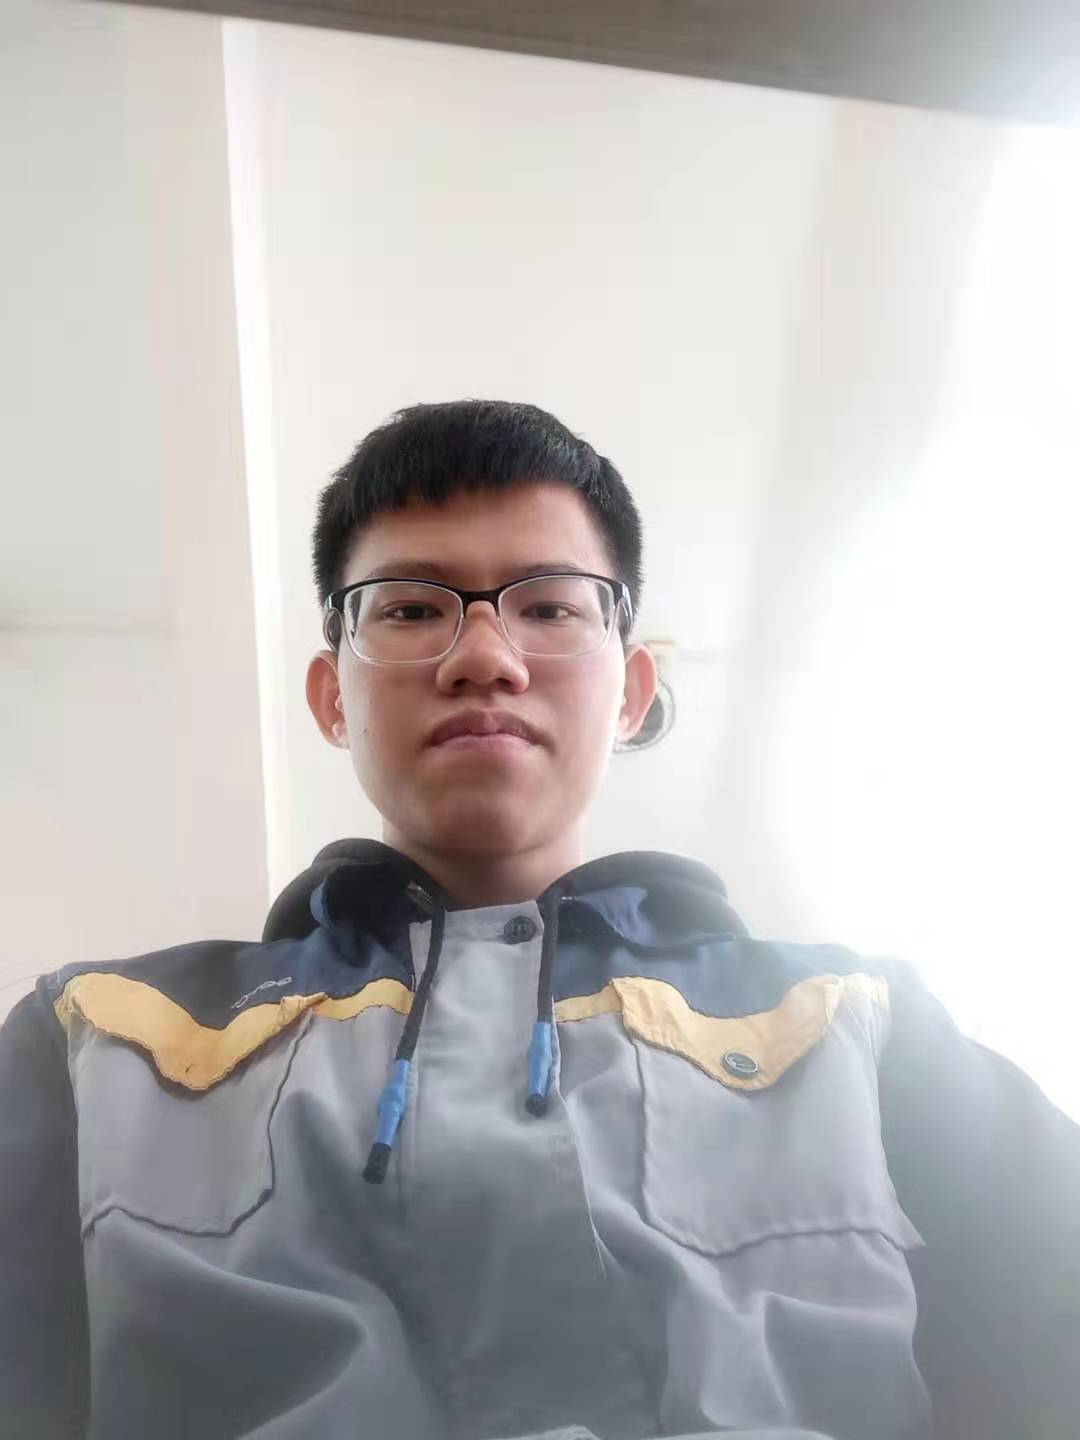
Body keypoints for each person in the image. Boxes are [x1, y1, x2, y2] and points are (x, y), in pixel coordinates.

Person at [1, 400, 1076, 1440]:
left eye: (552, 608)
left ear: (631, 690)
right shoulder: (98, 1041)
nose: (485, 657)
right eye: (411, 609)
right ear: (331, 696)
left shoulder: (855, 1025)